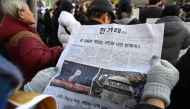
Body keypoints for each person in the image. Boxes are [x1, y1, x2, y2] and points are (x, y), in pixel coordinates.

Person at [0, 0, 63, 82]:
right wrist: (58, 50)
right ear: (20, 13)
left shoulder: (14, 33)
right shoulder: (25, 37)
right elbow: (39, 61)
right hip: (36, 84)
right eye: (29, 10)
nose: (32, 13)